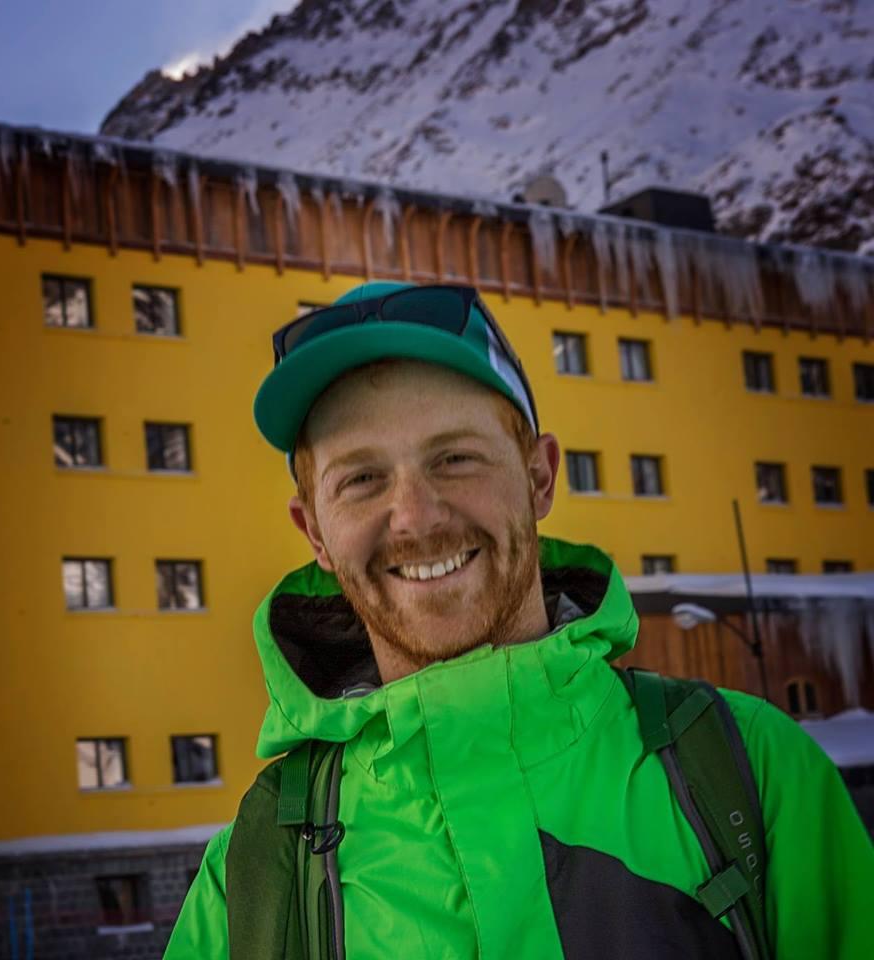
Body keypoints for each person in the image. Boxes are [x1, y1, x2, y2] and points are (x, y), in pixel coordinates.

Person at [164, 281, 873, 959]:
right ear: (314, 530)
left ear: (539, 477)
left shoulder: (753, 773)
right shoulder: (251, 880)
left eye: (455, 458)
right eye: (362, 478)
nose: (415, 517)